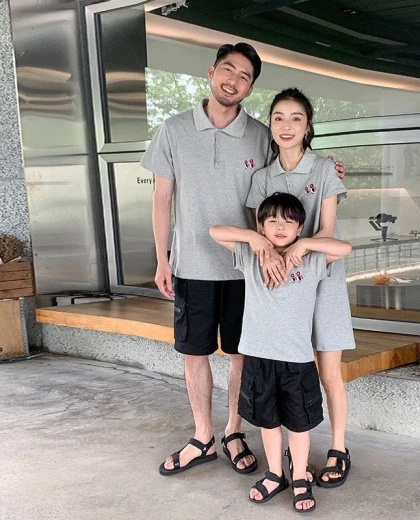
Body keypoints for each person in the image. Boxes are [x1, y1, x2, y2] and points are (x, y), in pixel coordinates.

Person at [139, 43, 346, 476]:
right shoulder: (173, 130)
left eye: (245, 76)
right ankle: (202, 437)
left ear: (251, 88)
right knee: (194, 353)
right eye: (228, 70)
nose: (233, 80)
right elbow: (161, 198)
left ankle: (234, 431)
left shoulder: (260, 135)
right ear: (212, 71)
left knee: (241, 355)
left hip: (250, 270)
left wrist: (330, 170)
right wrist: (162, 259)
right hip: (193, 263)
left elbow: (292, 173)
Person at [210, 192, 352, 513]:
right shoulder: (251, 255)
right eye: (272, 221)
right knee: (268, 421)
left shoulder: (311, 260)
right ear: (261, 226)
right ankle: (276, 474)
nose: (280, 227)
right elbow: (215, 232)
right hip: (258, 358)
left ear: (299, 228)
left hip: (297, 360)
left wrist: (306, 245)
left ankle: (300, 476)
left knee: (299, 424)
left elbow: (344, 248)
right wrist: (253, 239)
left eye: (289, 222)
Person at [246, 88, 356, 489]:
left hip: (322, 275)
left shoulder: (325, 168)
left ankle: (339, 448)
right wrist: (271, 258)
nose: (287, 125)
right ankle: (294, 455)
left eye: (296, 118)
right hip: (278, 282)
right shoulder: (261, 178)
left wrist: (301, 248)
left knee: (328, 370)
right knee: (287, 367)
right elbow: (260, 233)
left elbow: (326, 229)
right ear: (270, 125)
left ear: (308, 126)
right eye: (278, 117)